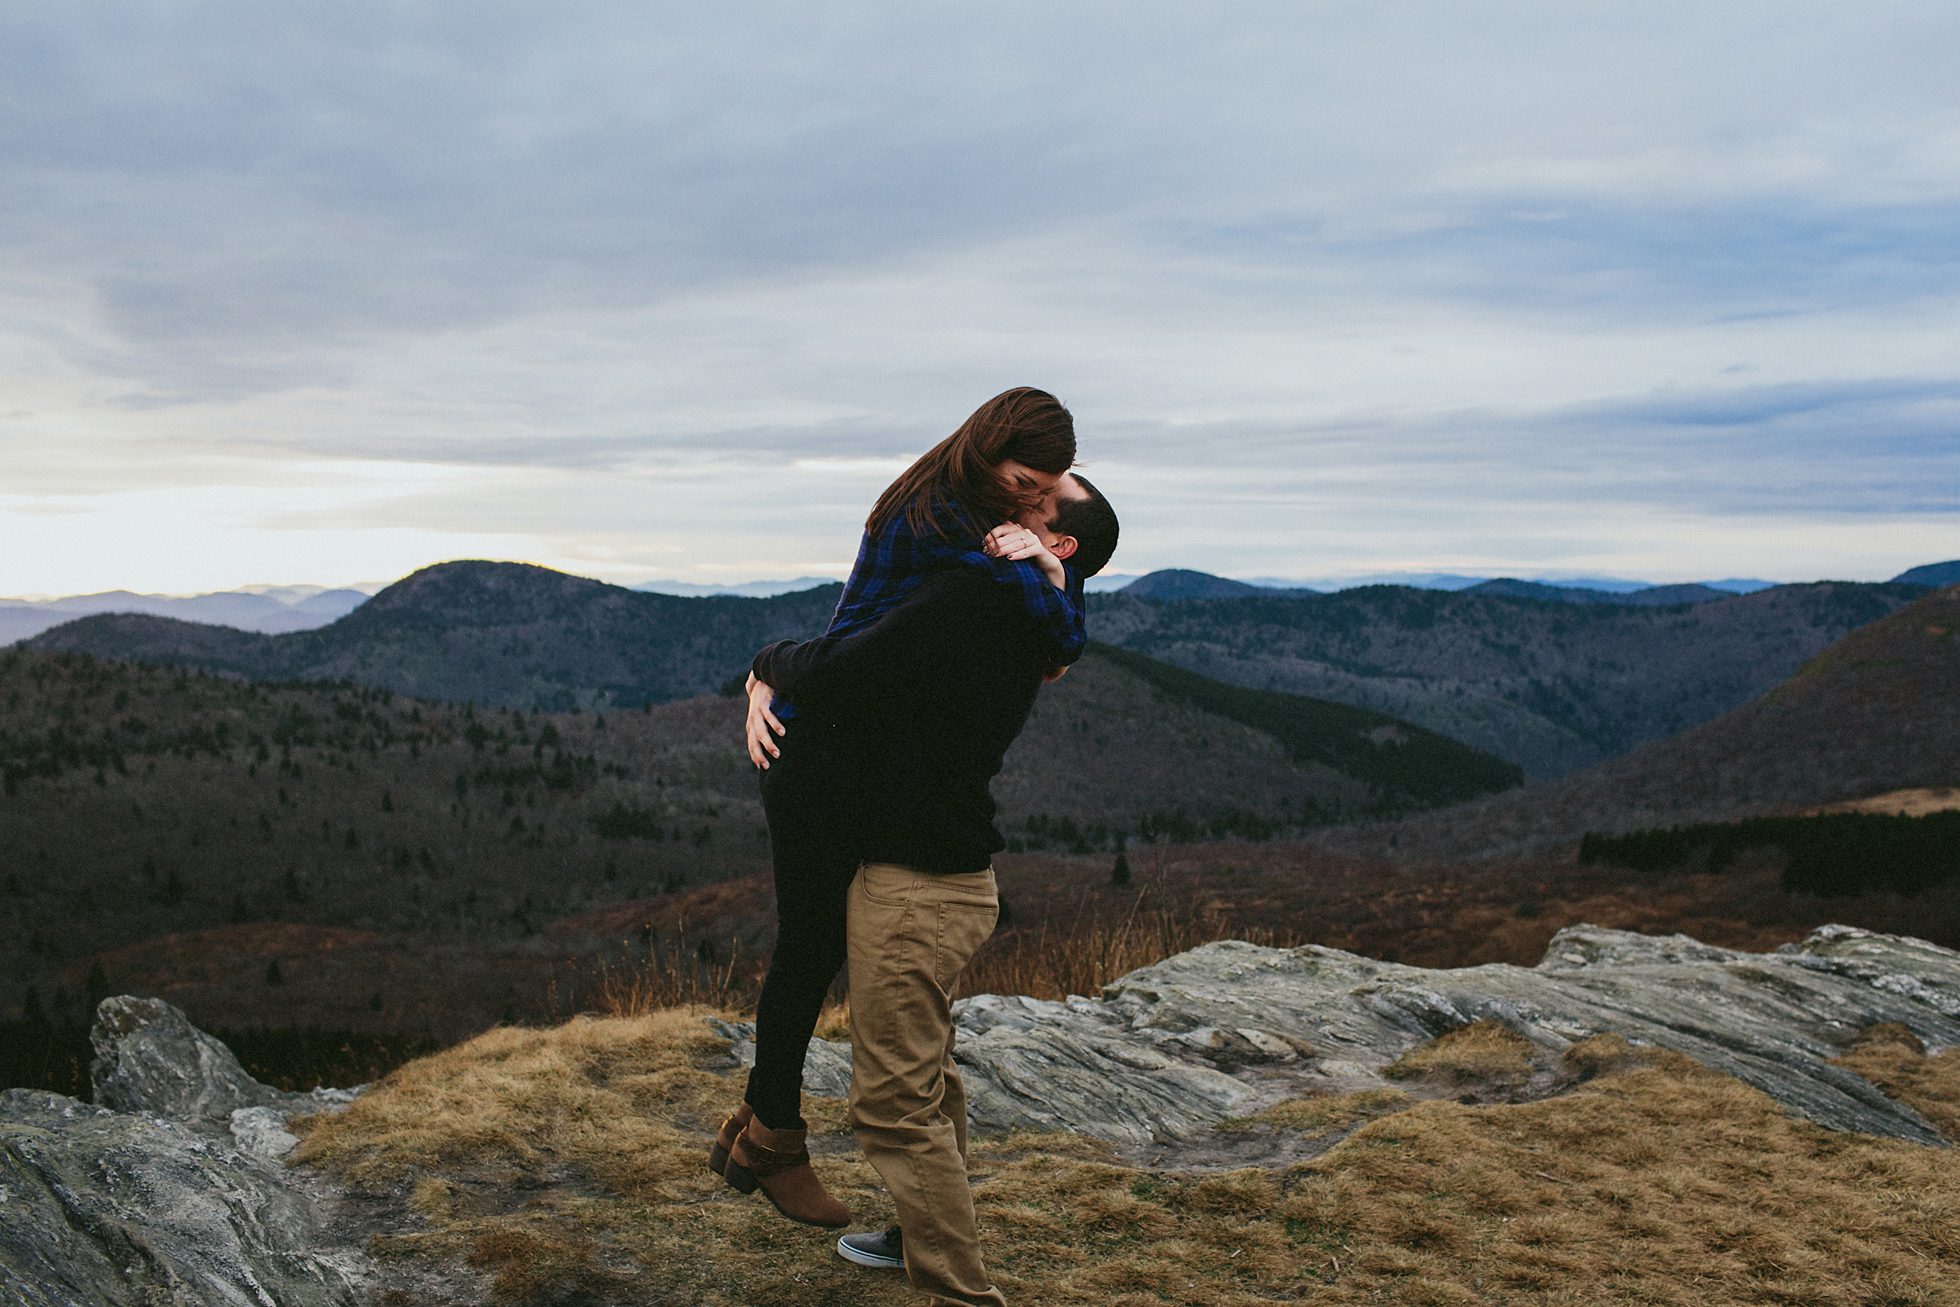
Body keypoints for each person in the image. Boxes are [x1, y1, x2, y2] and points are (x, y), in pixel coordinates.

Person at [706, 388, 1087, 1229]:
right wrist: (767, 662)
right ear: (990, 452)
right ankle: (771, 1139)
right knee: (811, 945)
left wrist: (1054, 567)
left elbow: (1049, 639)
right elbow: (1046, 643)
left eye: (1049, 493)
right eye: (1028, 480)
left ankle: (758, 1129)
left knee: (817, 945)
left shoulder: (963, 514)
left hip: (841, 747)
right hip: (818, 755)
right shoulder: (950, 531)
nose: (1034, 500)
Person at [751, 475, 1120, 1306]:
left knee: (893, 1103)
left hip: (917, 887)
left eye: (1036, 498)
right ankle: (915, 1232)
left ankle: (958, 1289)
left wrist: (764, 666)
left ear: (1053, 542)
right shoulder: (1032, 608)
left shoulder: (979, 601)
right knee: (930, 1073)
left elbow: (846, 668)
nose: (1012, 496)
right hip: (944, 878)